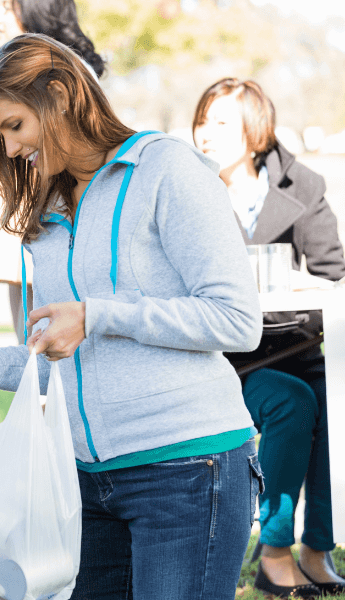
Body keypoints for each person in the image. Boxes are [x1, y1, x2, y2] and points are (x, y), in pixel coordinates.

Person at [0, 35, 264, 599]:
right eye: (0, 134)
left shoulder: (166, 169)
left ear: (62, 95)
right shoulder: (48, 216)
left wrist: (98, 315)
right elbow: (57, 363)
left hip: (188, 470)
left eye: (15, 125)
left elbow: (237, 320)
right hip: (84, 482)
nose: (12, 147)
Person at [194, 78, 345, 598]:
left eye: (221, 123)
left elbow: (335, 271)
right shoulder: (190, 189)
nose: (205, 134)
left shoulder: (302, 184)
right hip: (228, 360)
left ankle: (317, 549)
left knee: (329, 406)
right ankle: (275, 550)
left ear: (256, 131)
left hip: (299, 344)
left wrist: (306, 283)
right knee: (291, 402)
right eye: (202, 121)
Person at [0, 0, 105, 345]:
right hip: (35, 224)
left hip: (62, 226)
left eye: (6, 7)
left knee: (47, 345)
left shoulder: (70, 74)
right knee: (34, 347)